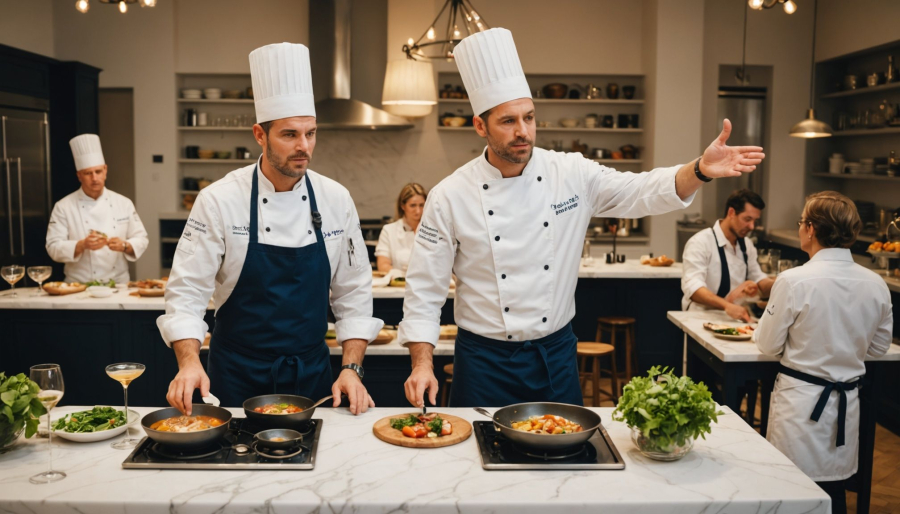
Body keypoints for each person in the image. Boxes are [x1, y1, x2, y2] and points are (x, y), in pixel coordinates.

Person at [399, 28, 766, 408]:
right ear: (480, 126)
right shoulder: (449, 195)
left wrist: (700, 169)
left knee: (565, 461)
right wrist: (421, 364)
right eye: (508, 121)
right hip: (482, 360)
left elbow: (640, 190)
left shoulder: (570, 173)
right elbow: (424, 290)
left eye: (529, 118)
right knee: (476, 459)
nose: (523, 132)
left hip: (554, 356)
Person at [157, 43, 381, 416]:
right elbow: (186, 293)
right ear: (259, 135)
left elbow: (353, 293)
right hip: (235, 374)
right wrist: (188, 362)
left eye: (311, 133)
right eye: (290, 134)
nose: (304, 147)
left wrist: (351, 368)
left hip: (312, 374)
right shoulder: (219, 200)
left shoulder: (335, 199)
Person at [754, 191, 893, 514]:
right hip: (846, 405)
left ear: (812, 229)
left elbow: (768, 344)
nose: (801, 227)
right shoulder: (875, 284)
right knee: (833, 492)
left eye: (802, 221)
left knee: (789, 489)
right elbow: (878, 347)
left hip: (800, 405)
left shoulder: (793, 280)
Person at [45, 134, 148, 284]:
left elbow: (142, 239)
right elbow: (52, 247)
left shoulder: (123, 203)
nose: (94, 178)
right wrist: (81, 245)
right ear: (79, 176)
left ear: (105, 170)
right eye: (88, 173)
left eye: (98, 172)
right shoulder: (63, 207)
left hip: (118, 285)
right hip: (79, 286)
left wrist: (125, 245)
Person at [681, 189, 775, 322]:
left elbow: (758, 279)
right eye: (747, 219)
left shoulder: (747, 245)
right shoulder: (700, 242)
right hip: (701, 317)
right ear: (731, 212)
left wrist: (779, 283)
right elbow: (693, 289)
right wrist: (726, 305)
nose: (752, 226)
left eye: (755, 221)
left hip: (735, 317)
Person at [375, 183, 427, 272]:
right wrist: (402, 276)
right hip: (399, 283)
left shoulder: (432, 230)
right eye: (413, 205)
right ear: (402, 206)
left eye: (421, 205)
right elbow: (383, 265)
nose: (418, 211)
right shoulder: (389, 230)